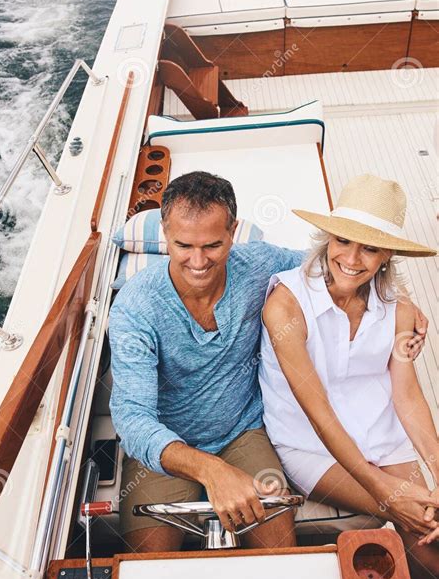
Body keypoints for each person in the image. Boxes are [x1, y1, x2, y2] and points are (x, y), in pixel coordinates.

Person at [109, 171, 427, 555]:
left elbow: (333, 267)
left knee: (279, 559)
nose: (197, 261)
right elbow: (132, 419)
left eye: (212, 245)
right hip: (166, 445)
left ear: (233, 232)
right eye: (182, 245)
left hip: (245, 433)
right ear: (164, 233)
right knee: (147, 571)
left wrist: (405, 302)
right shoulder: (133, 307)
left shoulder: (258, 265)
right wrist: (212, 471)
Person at [259, 174, 438, 579]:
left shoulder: (399, 310)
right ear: (327, 239)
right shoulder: (285, 305)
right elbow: (318, 413)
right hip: (309, 445)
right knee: (422, 518)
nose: (352, 259)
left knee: (431, 544)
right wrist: (389, 494)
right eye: (343, 241)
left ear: (386, 256)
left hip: (381, 434)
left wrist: (436, 467)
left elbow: (407, 396)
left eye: (370, 247)